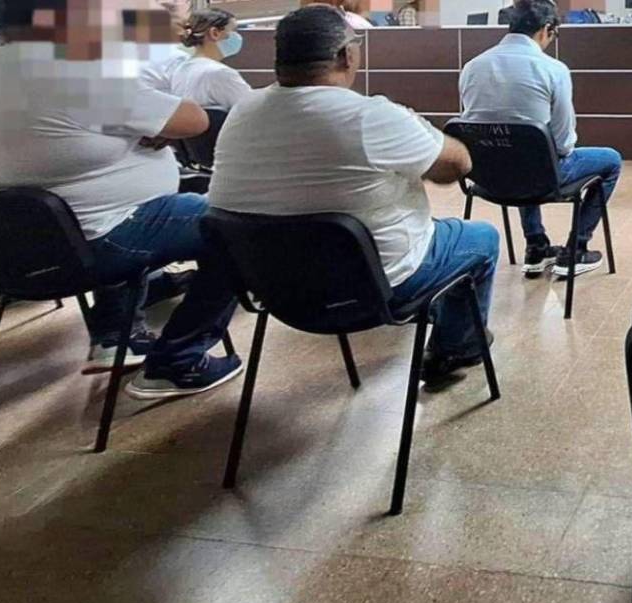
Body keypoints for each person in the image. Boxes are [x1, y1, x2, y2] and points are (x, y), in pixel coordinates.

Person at [208, 5, 498, 383]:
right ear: (347, 54)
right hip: (376, 290)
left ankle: (442, 314)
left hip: (277, 292)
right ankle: (456, 347)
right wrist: (417, 131)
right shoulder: (369, 116)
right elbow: (457, 165)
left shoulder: (242, 111)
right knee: (481, 238)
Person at [0, 0, 243, 397]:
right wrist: (153, 130)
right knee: (237, 224)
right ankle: (178, 361)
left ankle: (115, 338)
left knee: (118, 209)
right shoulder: (72, 73)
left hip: (7, 253)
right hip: (96, 240)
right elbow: (195, 120)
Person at [459, 0, 622, 279]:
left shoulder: (472, 67)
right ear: (547, 29)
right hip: (539, 177)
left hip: (487, 177)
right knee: (611, 161)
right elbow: (563, 144)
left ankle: (536, 245)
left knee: (519, 151)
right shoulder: (553, 69)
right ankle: (576, 248)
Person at [170, 8, 253, 111]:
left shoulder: (181, 69)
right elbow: (252, 108)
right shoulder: (219, 73)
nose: (237, 36)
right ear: (215, 33)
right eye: (234, 31)